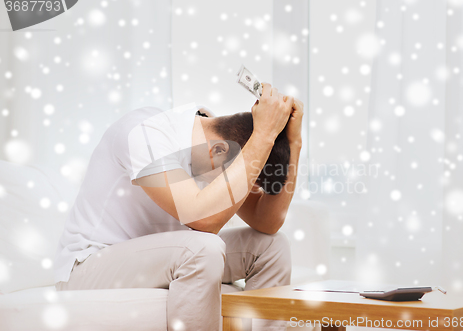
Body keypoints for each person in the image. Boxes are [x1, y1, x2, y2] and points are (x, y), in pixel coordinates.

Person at [53, 83, 304, 330]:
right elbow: (202, 220)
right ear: (218, 150)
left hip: (161, 261)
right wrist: (263, 134)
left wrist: (294, 143)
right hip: (89, 267)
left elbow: (267, 222)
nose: (246, 194)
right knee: (203, 247)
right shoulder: (146, 132)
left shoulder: (219, 147)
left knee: (273, 246)